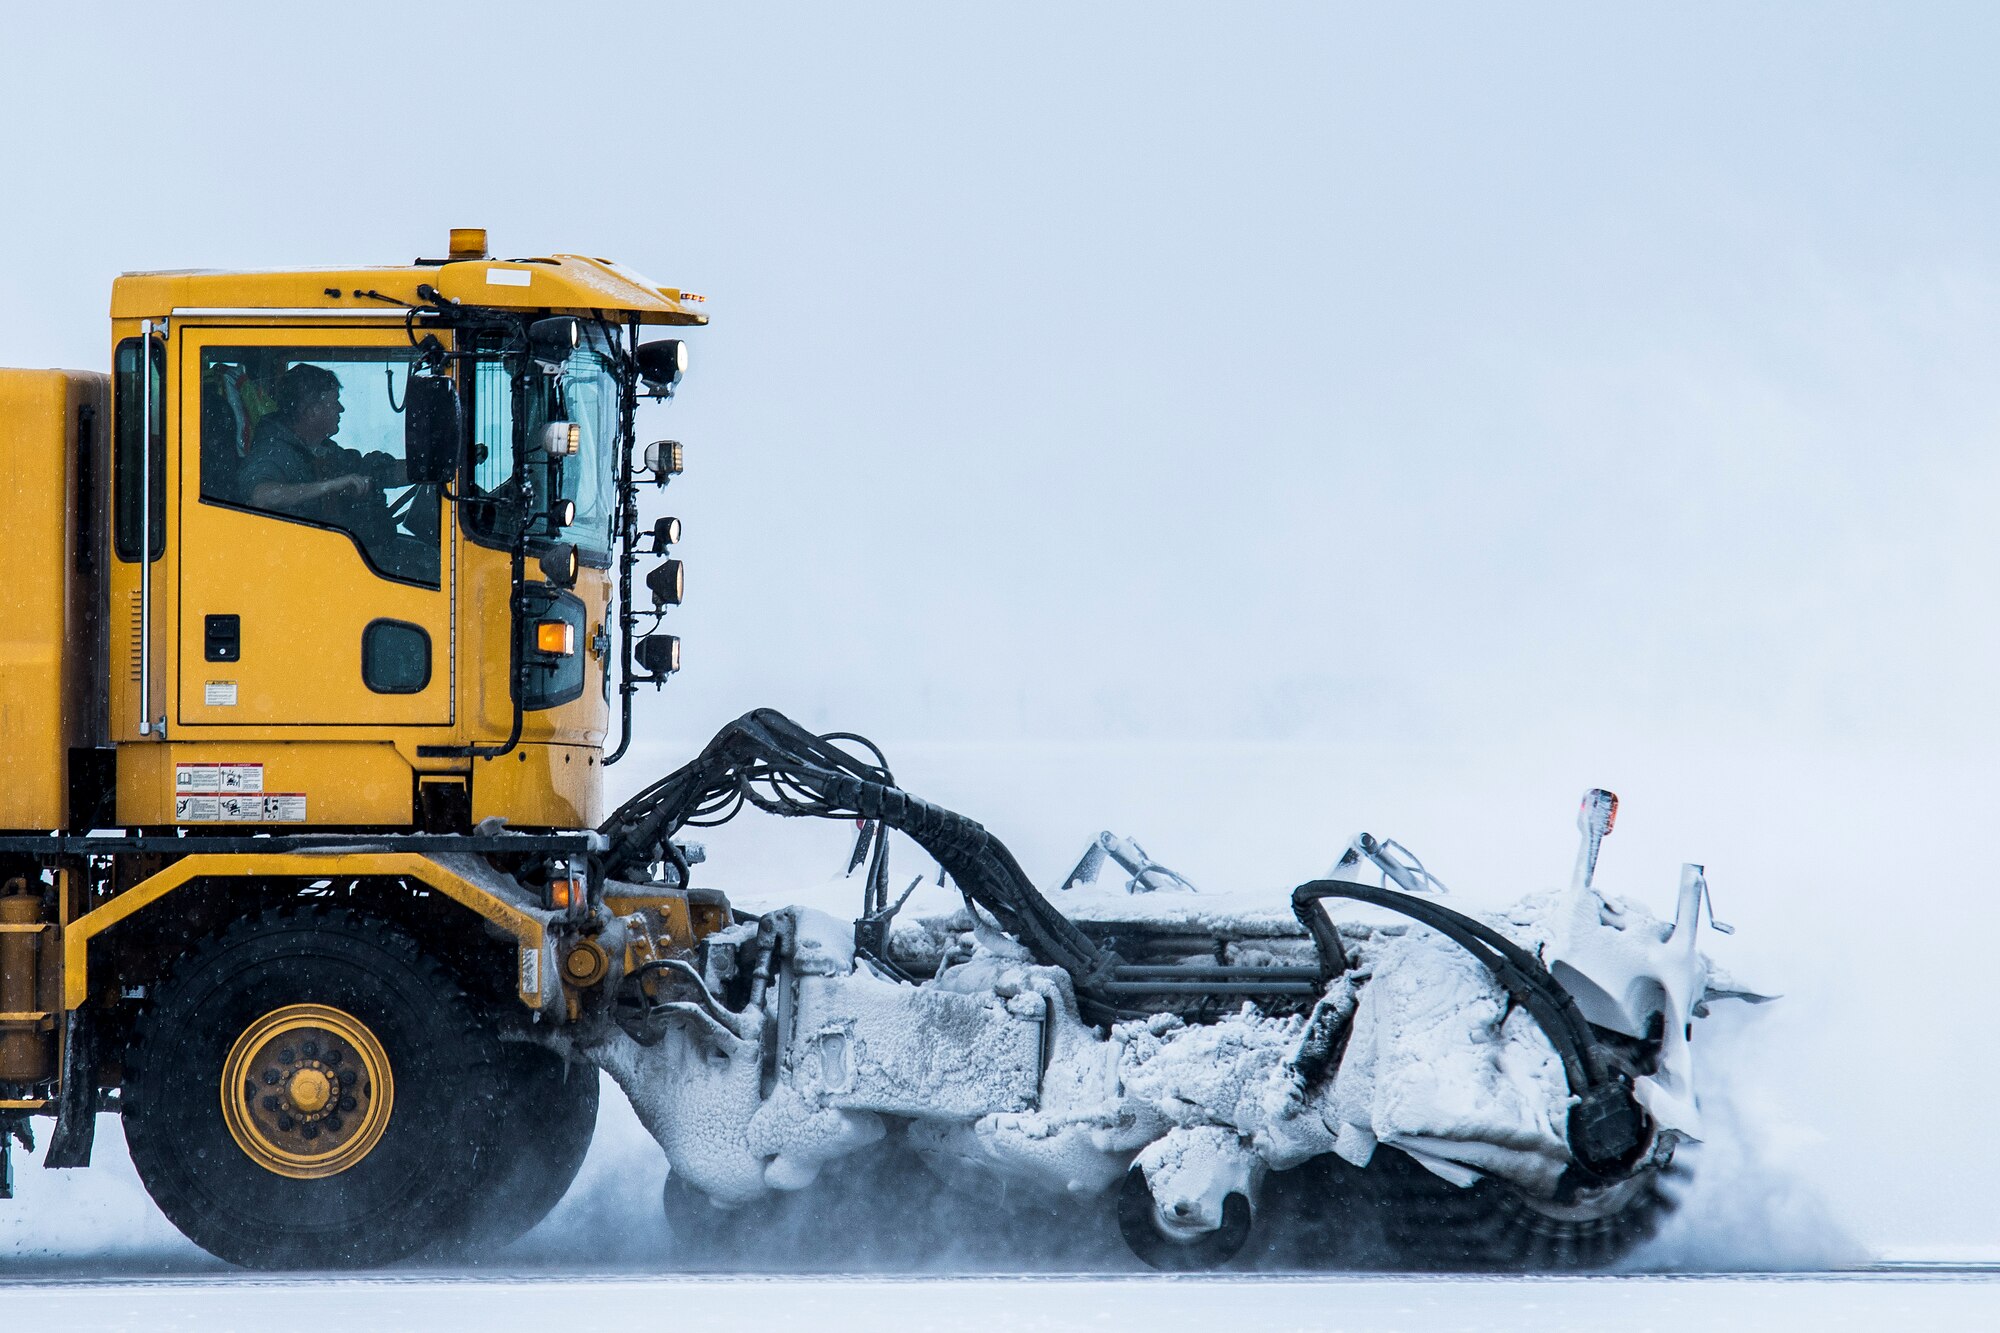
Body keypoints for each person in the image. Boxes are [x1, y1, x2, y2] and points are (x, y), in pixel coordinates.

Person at [241, 364, 404, 540]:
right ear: (312, 411)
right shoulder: (273, 450)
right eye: (335, 402)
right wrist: (330, 486)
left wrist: (426, 469)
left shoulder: (321, 450)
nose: (341, 409)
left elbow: (370, 470)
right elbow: (261, 497)